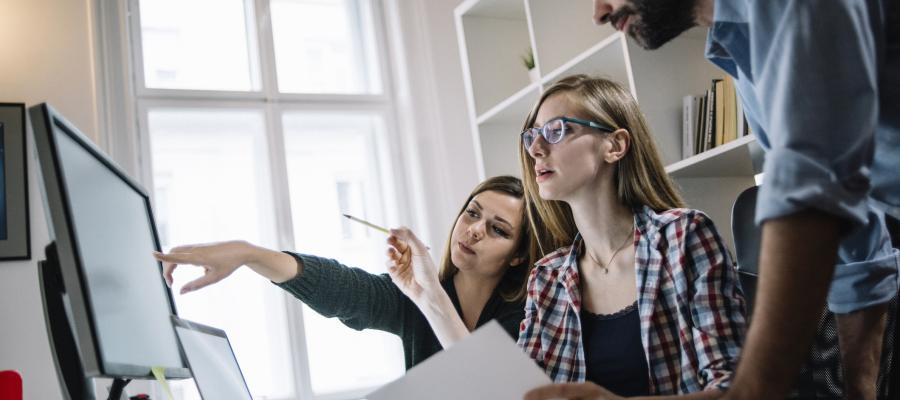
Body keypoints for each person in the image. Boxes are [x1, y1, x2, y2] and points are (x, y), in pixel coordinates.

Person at [585, 1, 900, 399]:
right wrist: (859, 389)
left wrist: (750, 392)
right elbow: (857, 242)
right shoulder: (741, 51)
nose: (599, 12)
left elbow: (812, 190)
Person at [388, 75, 746, 399]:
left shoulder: (684, 237)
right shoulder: (548, 277)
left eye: (557, 131)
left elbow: (736, 388)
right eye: (533, 136)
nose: (536, 149)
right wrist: (426, 294)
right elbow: (515, 394)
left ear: (614, 146)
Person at [154, 175, 536, 370]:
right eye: (472, 213)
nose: (474, 230)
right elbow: (344, 289)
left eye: (497, 229)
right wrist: (249, 254)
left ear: (518, 256)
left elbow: (489, 381)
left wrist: (428, 294)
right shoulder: (413, 297)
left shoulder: (527, 318)